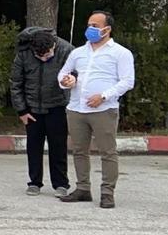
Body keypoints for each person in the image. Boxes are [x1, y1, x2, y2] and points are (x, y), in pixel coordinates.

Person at [58, 11, 135, 209]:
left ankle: (107, 192)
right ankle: (83, 188)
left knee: (108, 152)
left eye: (95, 26)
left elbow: (127, 81)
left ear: (107, 29)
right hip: (76, 108)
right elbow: (63, 73)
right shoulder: (78, 53)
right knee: (79, 151)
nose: (90, 29)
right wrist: (67, 81)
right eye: (89, 25)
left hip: (104, 110)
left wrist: (103, 95)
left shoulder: (120, 53)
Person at [10, 27, 73, 197]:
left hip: (58, 106)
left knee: (58, 146)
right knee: (33, 146)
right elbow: (16, 83)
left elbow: (78, 74)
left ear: (54, 46)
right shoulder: (23, 52)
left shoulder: (67, 50)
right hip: (32, 108)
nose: (45, 58)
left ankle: (61, 184)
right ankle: (34, 182)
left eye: (48, 55)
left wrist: (71, 81)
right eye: (40, 56)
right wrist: (21, 110)